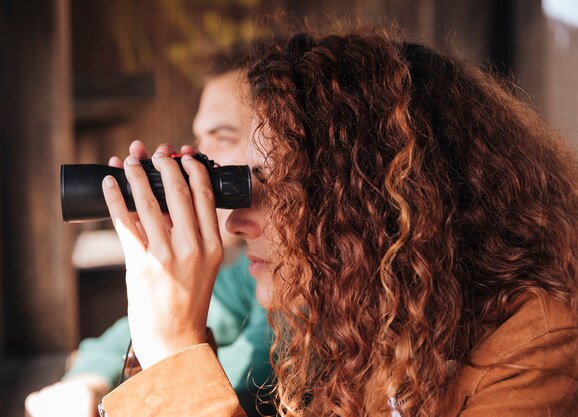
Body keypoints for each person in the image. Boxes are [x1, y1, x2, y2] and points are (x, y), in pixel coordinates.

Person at [98, 28, 578, 417]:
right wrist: (164, 334)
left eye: (280, 189)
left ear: (376, 201)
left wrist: (174, 354)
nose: (238, 222)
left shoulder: (543, 345)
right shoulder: (379, 319)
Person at [25, 50, 273, 417]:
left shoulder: (302, 283)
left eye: (221, 137)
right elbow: (129, 334)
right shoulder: (247, 274)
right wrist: (87, 380)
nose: (199, 160)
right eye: (198, 139)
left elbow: (231, 389)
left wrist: (172, 348)